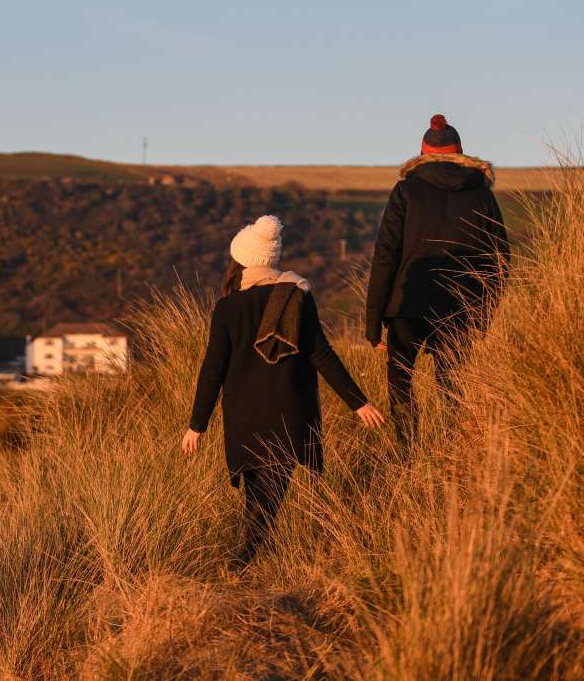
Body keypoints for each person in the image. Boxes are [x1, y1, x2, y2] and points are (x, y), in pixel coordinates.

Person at [182, 215, 383, 567]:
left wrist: (197, 424)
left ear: (241, 260)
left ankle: (248, 560)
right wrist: (358, 402)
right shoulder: (295, 296)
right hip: (288, 410)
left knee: (260, 493)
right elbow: (321, 354)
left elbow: (213, 368)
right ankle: (245, 560)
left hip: (243, 415)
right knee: (268, 494)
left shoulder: (229, 307)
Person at [365, 115, 510, 444]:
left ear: (424, 152)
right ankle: (455, 458)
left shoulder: (406, 191)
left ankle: (409, 455)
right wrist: (482, 315)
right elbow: (501, 261)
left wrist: (373, 322)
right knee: (453, 387)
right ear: (460, 152)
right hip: (460, 309)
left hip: (408, 303)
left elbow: (386, 255)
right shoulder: (481, 195)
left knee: (400, 382)